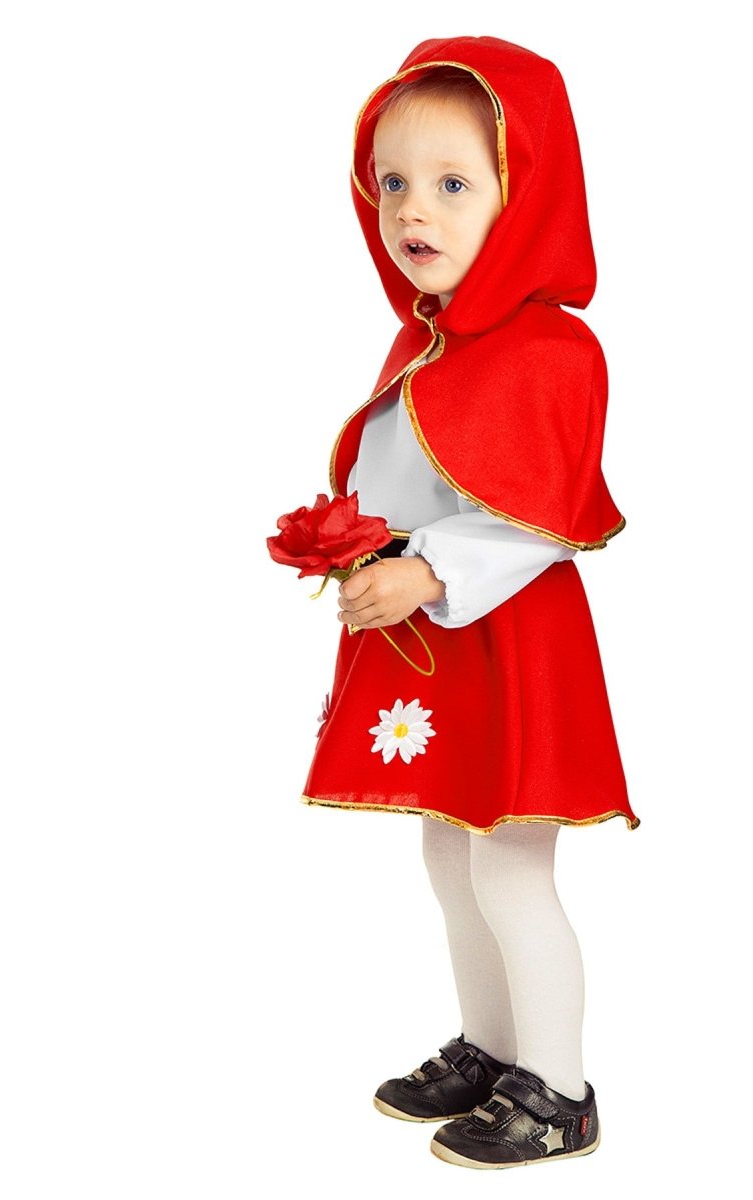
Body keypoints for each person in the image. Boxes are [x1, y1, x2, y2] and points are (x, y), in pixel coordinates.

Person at [294, 36, 639, 1170]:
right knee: (449, 855)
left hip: (512, 641)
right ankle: (491, 1048)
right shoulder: (422, 342)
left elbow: (546, 509)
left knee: (511, 867)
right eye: (393, 181)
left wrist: (430, 569)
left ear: (522, 195)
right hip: (437, 649)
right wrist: (351, 547)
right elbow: (403, 478)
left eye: (453, 183)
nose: (412, 208)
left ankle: (560, 1089)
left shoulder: (553, 349)